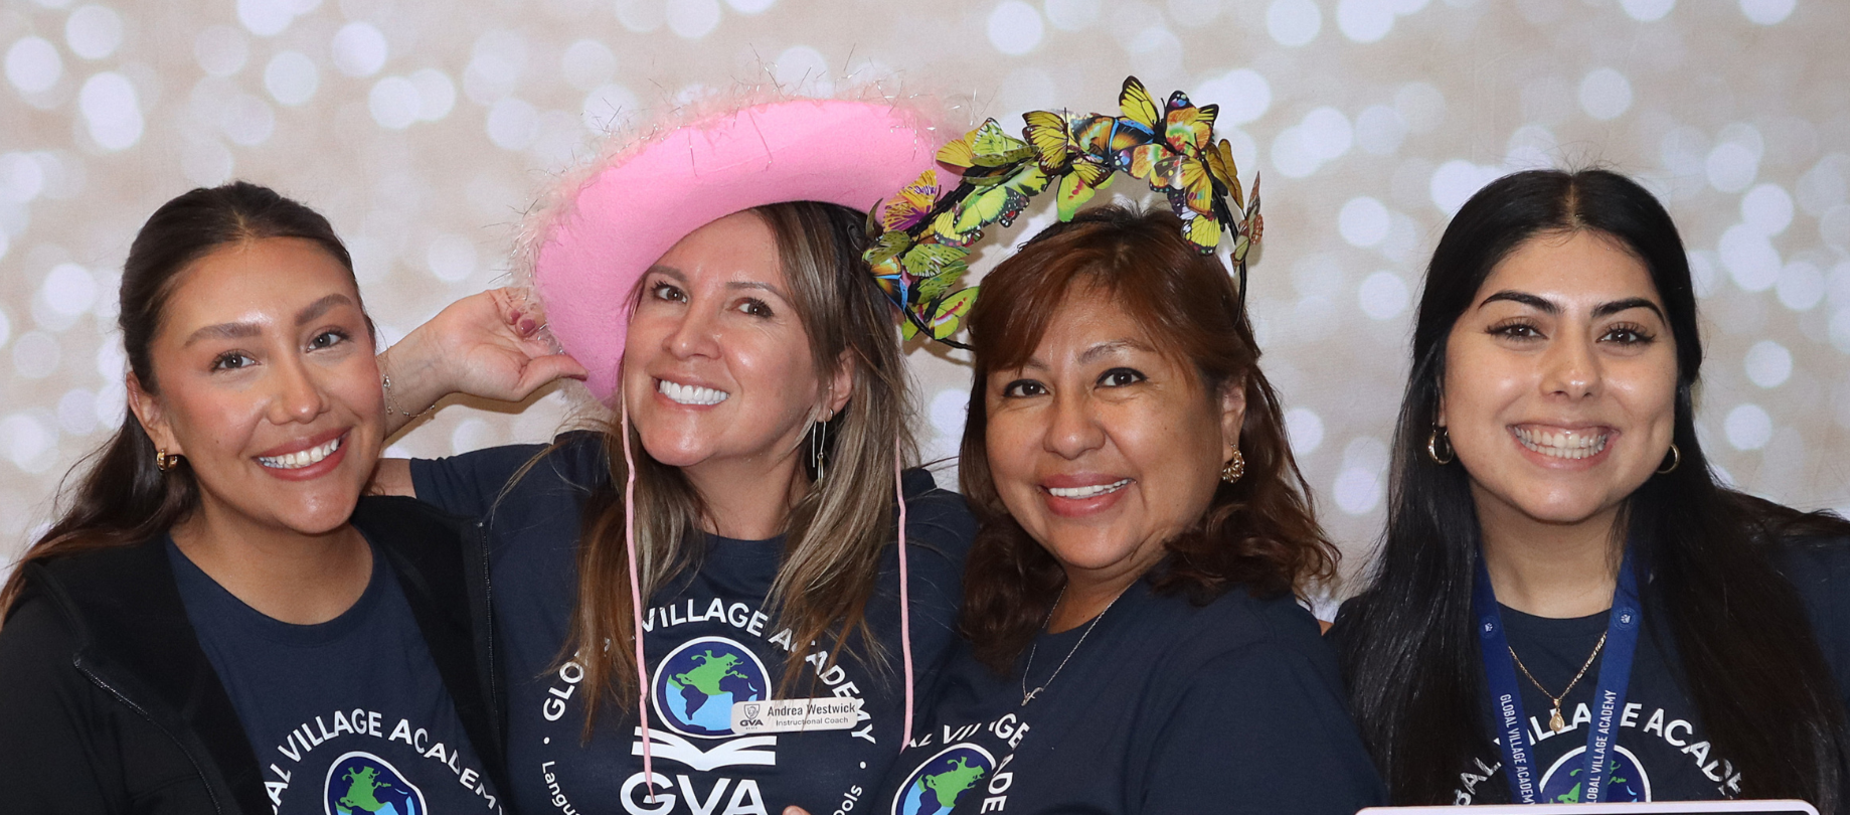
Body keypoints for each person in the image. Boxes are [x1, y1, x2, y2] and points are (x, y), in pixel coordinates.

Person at [367, 97, 977, 814]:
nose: (687, 337)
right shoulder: (543, 497)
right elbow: (241, 487)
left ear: (834, 381)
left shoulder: (934, 551)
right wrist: (427, 365)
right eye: (668, 292)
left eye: (752, 306)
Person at [840, 75, 1383, 813]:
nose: (1068, 433)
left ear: (1228, 409)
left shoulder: (1245, 668)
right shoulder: (992, 635)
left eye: (1119, 377)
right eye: (1025, 387)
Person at [1330, 168, 1850, 808]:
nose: (1576, 377)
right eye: (1520, 330)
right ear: (1438, 386)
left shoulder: (1826, 599)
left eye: (1623, 335)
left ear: (1678, 389)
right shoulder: (1359, 665)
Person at [0, 182, 511, 814]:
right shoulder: (70, 650)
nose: (301, 399)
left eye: (326, 339)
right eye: (234, 360)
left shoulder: (479, 564)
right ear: (152, 410)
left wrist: (427, 365)